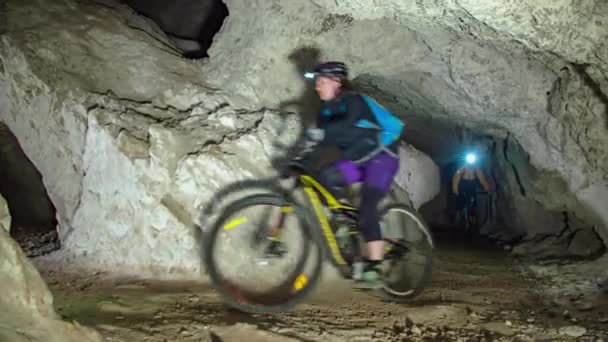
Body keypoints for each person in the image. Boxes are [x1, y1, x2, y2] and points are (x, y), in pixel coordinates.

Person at [281, 61, 403, 289]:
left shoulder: (354, 101)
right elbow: (317, 144)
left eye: (321, 82)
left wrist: (319, 134)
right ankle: (345, 218)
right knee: (324, 175)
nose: (317, 87)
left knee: (368, 207)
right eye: (316, 82)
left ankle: (375, 267)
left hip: (382, 158)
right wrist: (300, 162)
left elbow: (344, 126)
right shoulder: (325, 112)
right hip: (357, 161)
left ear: (337, 82)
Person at [451, 154, 491, 229]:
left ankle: (473, 219)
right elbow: (456, 176)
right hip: (462, 186)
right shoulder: (462, 167)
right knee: (460, 203)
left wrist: (486, 187)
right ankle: (458, 219)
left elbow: (482, 179)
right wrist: (455, 188)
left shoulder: (477, 169)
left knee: (473, 203)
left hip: (471, 187)